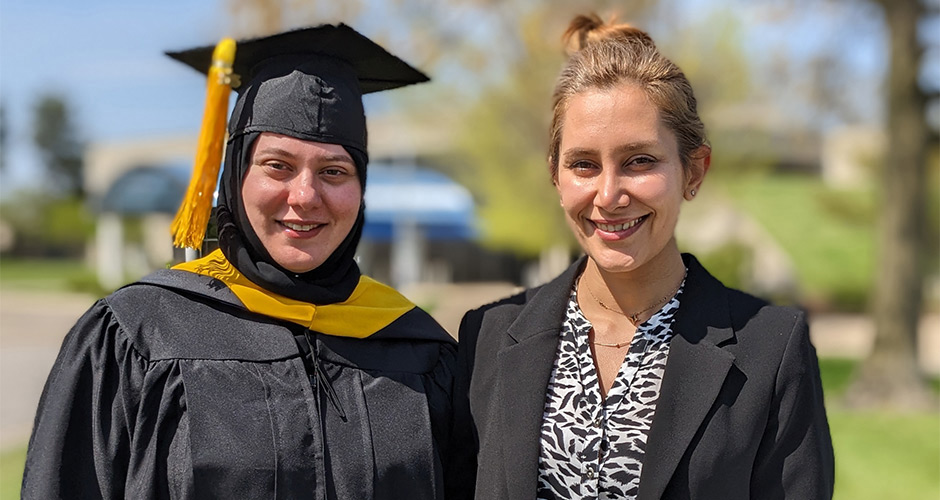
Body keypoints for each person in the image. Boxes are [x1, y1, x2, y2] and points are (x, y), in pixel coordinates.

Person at [23, 24, 458, 499]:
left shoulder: (419, 349)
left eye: (335, 171)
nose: (306, 196)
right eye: (278, 166)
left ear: (361, 188)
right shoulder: (138, 335)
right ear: (234, 175)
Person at [448, 13, 835, 500]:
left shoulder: (772, 350)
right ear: (555, 174)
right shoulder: (486, 338)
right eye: (584, 164)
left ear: (693, 171)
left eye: (640, 161)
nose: (608, 195)